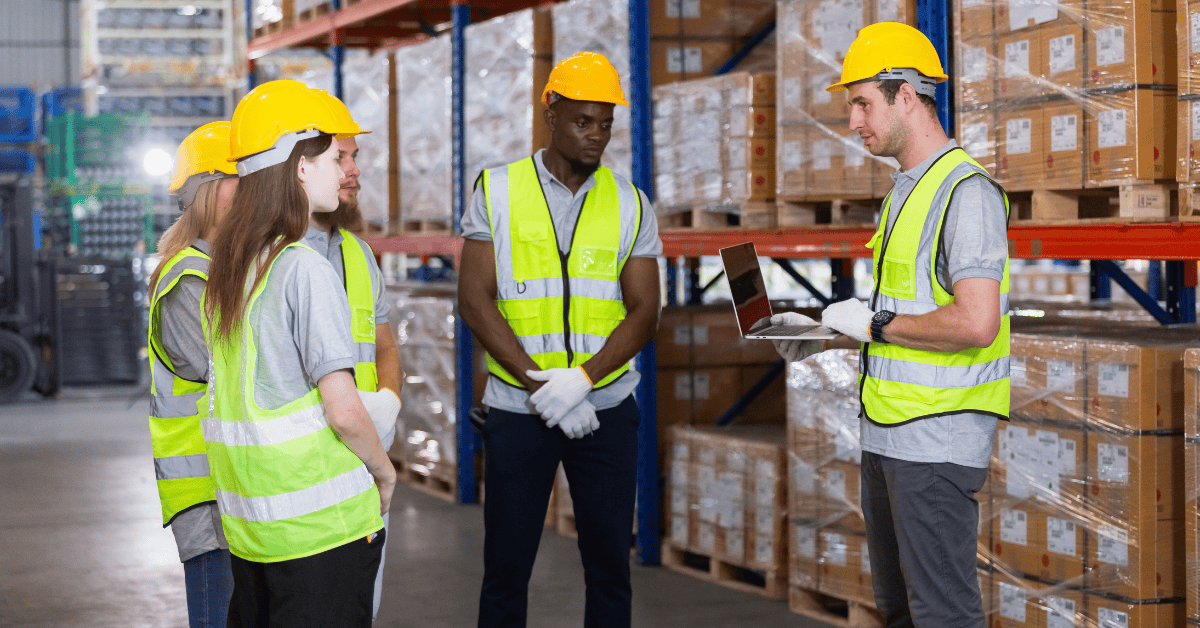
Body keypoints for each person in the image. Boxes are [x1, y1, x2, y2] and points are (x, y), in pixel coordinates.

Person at [771, 23, 1010, 628]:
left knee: (942, 614)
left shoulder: (966, 191)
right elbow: (908, 307)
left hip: (934, 440)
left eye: (862, 103)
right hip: (888, 432)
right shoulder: (906, 189)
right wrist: (823, 332)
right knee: (900, 611)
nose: (853, 121)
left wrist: (873, 324)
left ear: (906, 95)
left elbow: (976, 322)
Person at [458, 51, 663, 628]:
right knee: (505, 569)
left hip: (605, 412)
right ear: (550, 110)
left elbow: (645, 312)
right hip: (518, 411)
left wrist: (583, 380)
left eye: (605, 123)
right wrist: (540, 384)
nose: (596, 136)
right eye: (582, 121)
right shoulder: (495, 189)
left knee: (609, 570)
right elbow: (475, 298)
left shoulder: (631, 202)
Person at [202, 79, 396, 628]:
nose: (345, 171)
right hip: (321, 535)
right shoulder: (303, 267)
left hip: (256, 532)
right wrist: (383, 472)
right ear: (300, 166)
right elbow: (342, 409)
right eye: (335, 157)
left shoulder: (234, 267)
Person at [307, 87, 403, 621]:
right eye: (337, 158)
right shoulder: (274, 259)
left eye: (354, 156)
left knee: (361, 607)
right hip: (307, 472)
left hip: (365, 460)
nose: (352, 170)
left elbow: (385, 344)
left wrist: (385, 405)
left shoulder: (358, 254)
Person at [148, 121, 239, 628]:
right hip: (206, 492)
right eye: (238, 176)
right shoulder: (186, 278)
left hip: (240, 482)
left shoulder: (228, 269)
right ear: (208, 190)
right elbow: (228, 370)